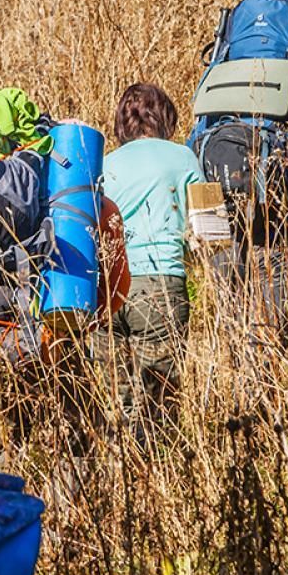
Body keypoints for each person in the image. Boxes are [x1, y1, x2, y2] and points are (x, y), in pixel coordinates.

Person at [97, 83, 204, 423]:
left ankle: (120, 469)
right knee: (159, 404)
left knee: (118, 402)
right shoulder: (184, 157)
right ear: (165, 117)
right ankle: (156, 467)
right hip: (160, 286)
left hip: (107, 288)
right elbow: (211, 232)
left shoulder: (103, 164)